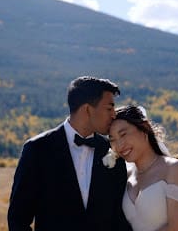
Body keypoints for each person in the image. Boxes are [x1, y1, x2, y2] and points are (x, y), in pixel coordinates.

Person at [8, 76, 132, 231]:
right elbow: (18, 219)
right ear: (87, 109)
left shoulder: (113, 151)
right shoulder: (37, 149)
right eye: (109, 108)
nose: (114, 114)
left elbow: (118, 217)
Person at [107, 105, 178, 231]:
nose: (119, 145)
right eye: (112, 140)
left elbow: (177, 228)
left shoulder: (173, 169)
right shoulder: (125, 176)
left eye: (123, 135)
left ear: (144, 128)